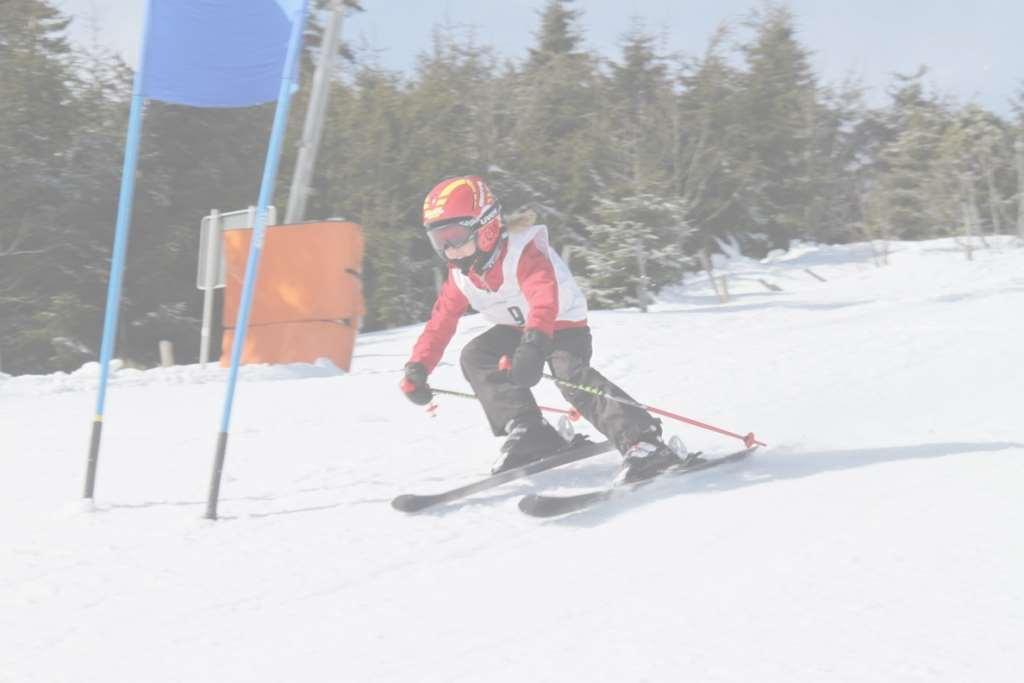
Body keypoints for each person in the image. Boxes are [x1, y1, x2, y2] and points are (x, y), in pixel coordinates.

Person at [399, 175, 680, 482]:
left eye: (456, 237)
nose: (450, 250)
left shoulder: (524, 253)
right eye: (440, 241)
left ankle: (643, 439)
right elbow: (441, 322)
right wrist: (418, 367)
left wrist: (533, 346)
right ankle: (530, 430)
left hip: (562, 327)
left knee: (569, 373)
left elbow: (544, 301)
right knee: (476, 355)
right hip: (518, 331)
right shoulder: (461, 274)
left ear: (487, 225)